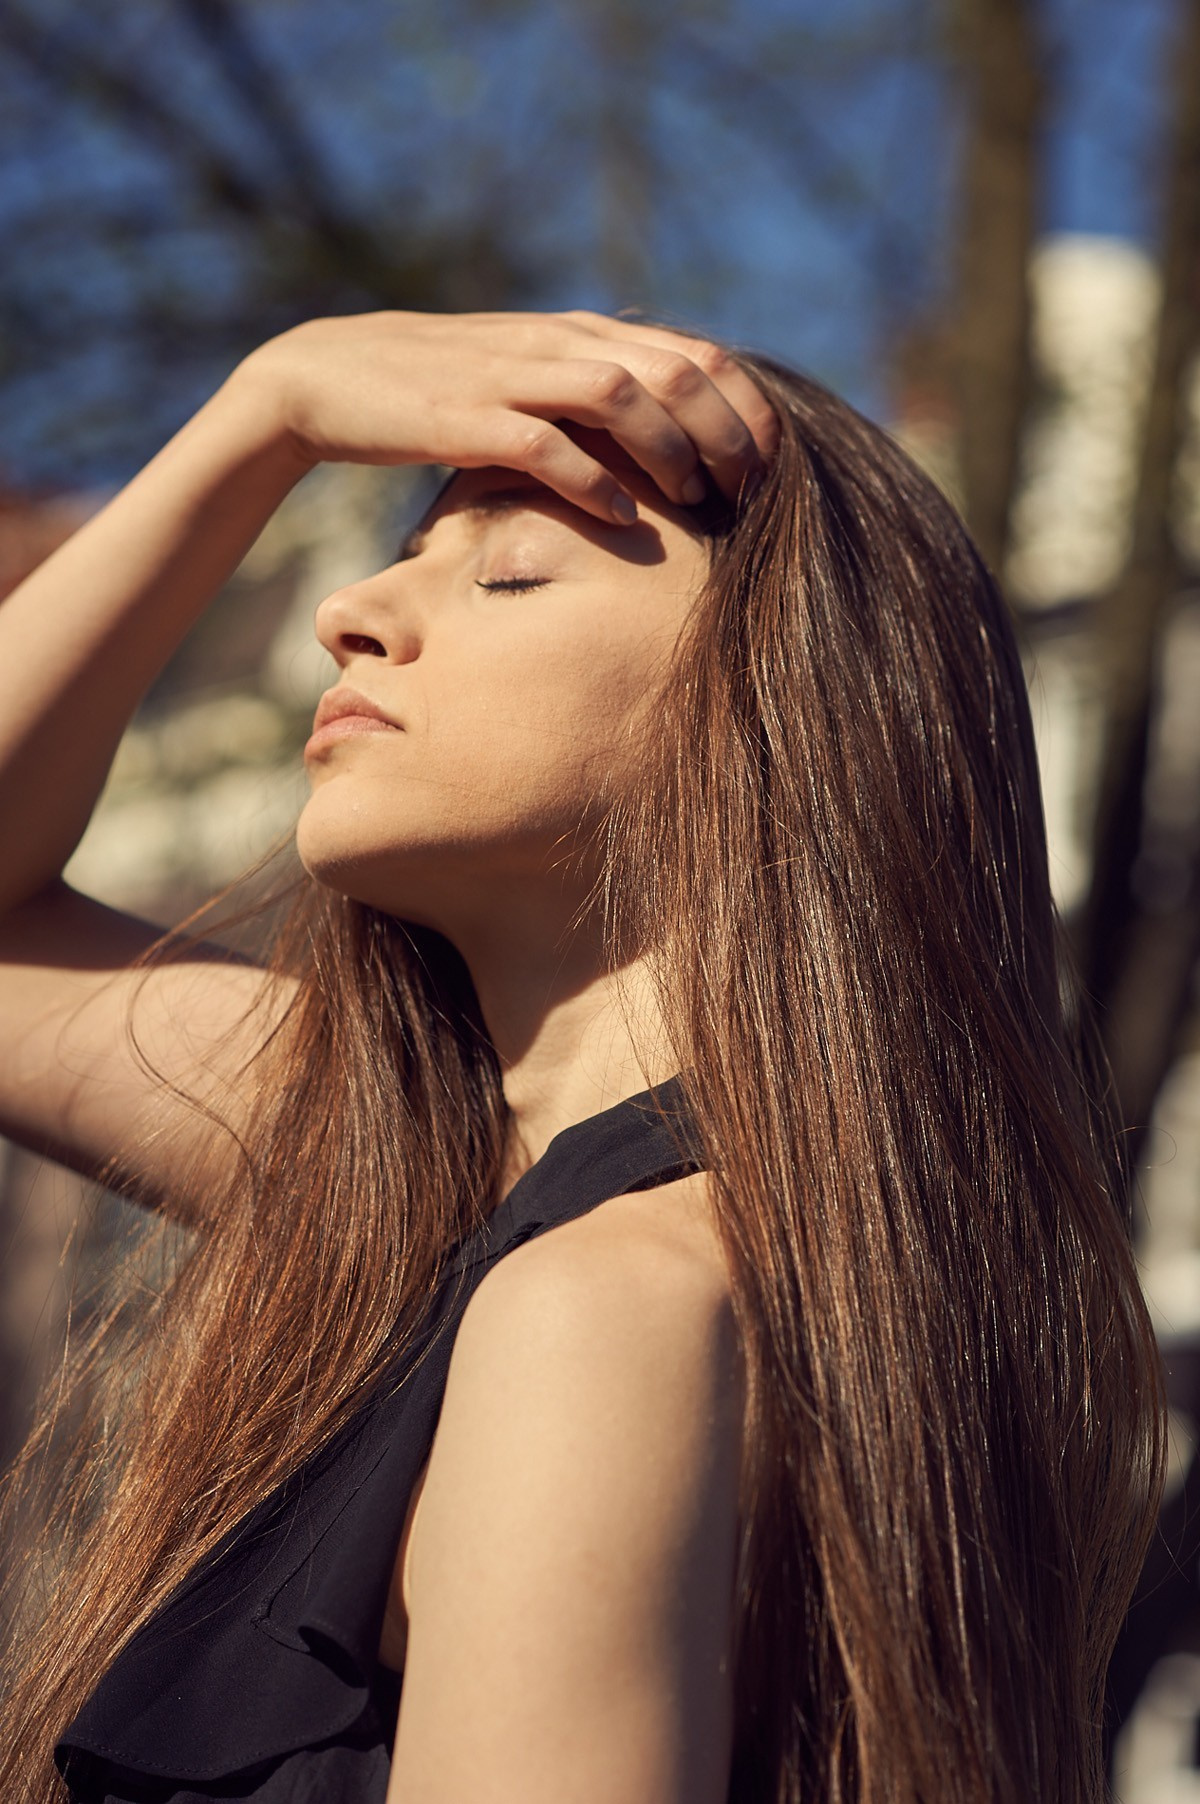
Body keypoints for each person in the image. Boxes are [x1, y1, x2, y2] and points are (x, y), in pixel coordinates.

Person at [0, 308, 1166, 1803]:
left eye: (504, 567)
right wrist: (268, 410)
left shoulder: (602, 1306)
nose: (350, 609)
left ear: (770, 701)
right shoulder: (464, 1190)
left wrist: (265, 420)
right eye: (403, 553)